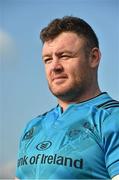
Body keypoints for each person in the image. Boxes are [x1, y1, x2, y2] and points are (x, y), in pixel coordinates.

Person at [15, 16, 119, 179]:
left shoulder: (112, 118)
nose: (55, 67)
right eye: (48, 59)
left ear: (94, 57)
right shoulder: (33, 127)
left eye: (64, 56)